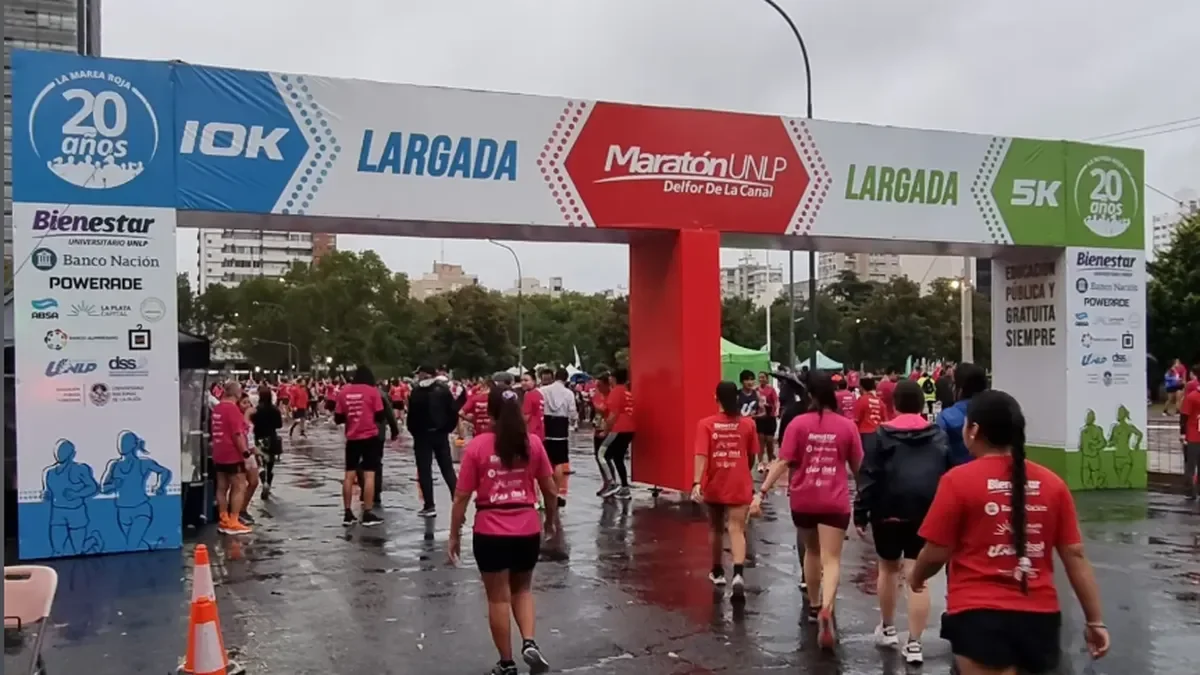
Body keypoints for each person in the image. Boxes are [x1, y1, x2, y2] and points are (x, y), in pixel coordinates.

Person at [910, 390, 1110, 674]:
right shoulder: (1053, 485)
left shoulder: (957, 482)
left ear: (974, 430)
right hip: (1040, 620)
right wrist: (1095, 621)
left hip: (977, 618)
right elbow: (1075, 555)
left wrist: (916, 577)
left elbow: (937, 552)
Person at [449, 387, 558, 675]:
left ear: (490, 411)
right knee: (522, 589)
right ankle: (530, 641)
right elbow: (549, 489)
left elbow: (461, 496)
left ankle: (507, 663)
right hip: (527, 529)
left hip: (491, 531)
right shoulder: (532, 443)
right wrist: (551, 521)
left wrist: (454, 534)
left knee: (498, 598)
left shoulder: (477, 447)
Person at [754, 373, 862, 649]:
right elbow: (860, 468)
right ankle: (828, 606)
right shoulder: (847, 427)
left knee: (811, 553)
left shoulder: (798, 424)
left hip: (803, 499)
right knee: (832, 559)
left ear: (810, 396)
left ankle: (814, 607)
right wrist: (865, 499)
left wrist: (762, 492)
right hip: (834, 500)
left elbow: (782, 461)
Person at [853, 380, 951, 664]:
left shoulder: (882, 434)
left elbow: (868, 475)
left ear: (893, 404)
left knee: (887, 568)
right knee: (917, 578)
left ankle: (888, 628)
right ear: (923, 404)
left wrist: (860, 511)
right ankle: (915, 645)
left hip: (888, 511)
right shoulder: (938, 434)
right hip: (926, 511)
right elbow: (948, 473)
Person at [692, 381, 759, 596]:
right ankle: (738, 573)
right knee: (737, 529)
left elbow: (701, 455)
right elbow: (752, 456)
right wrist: (743, 470)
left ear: (716, 398)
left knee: (716, 529)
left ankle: (718, 571)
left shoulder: (706, 424)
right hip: (739, 483)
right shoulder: (748, 424)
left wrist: (696, 482)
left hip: (715, 482)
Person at [335, 365, 387, 527]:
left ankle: (348, 513)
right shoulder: (373, 391)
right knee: (369, 475)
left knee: (349, 475)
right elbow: (380, 415)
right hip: (370, 436)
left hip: (352, 437)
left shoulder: (343, 392)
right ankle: (367, 512)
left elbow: (338, 418)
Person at [408, 364, 460, 518]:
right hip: (440, 434)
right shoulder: (443, 390)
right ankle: (457, 499)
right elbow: (453, 412)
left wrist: (414, 431)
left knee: (424, 470)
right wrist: (446, 429)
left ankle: (429, 505)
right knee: (447, 468)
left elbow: (411, 416)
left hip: (422, 436)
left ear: (424, 374)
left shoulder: (416, 391)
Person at [210, 382, 252, 535]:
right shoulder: (233, 409)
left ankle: (224, 518)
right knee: (240, 485)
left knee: (222, 487)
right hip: (232, 453)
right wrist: (245, 453)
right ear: (237, 394)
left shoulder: (217, 408)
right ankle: (234, 520)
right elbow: (237, 434)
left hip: (218, 451)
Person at [937, 363, 990, 466]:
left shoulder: (946, 417)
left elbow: (939, 454)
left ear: (959, 389)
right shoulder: (997, 412)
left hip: (957, 474)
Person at [540, 368, 577, 509]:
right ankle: (557, 491)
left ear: (554, 377)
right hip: (561, 426)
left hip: (547, 424)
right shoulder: (568, 393)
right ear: (566, 379)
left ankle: (547, 492)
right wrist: (574, 421)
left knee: (547, 461)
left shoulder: (544, 390)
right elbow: (572, 412)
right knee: (560, 461)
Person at [599, 367, 635, 499]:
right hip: (630, 428)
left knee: (602, 454)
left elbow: (613, 414)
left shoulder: (616, 392)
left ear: (613, 378)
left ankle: (612, 483)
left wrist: (606, 431)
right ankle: (625, 487)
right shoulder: (626, 392)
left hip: (619, 428)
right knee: (618, 457)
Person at [251, 385, 284, 500]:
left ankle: (263, 479)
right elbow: (279, 425)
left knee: (260, 463)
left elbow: (252, 423)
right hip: (271, 437)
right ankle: (268, 484)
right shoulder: (275, 409)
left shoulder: (256, 410)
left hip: (259, 438)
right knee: (270, 464)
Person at [1179, 363, 1200, 499]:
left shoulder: (1192, 396)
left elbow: (1184, 416)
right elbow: (1184, 416)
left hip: (1193, 436)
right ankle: (1193, 490)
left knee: (1190, 465)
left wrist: (1182, 433)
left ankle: (1190, 491)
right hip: (1194, 435)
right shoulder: (1193, 396)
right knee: (1194, 465)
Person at [756, 371, 780, 472]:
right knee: (760, 440)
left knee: (769, 441)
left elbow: (776, 401)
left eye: (763, 377)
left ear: (767, 379)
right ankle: (760, 462)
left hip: (770, 417)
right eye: (760, 377)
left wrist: (777, 410)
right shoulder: (756, 390)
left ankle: (770, 461)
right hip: (760, 418)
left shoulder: (771, 390)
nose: (761, 379)